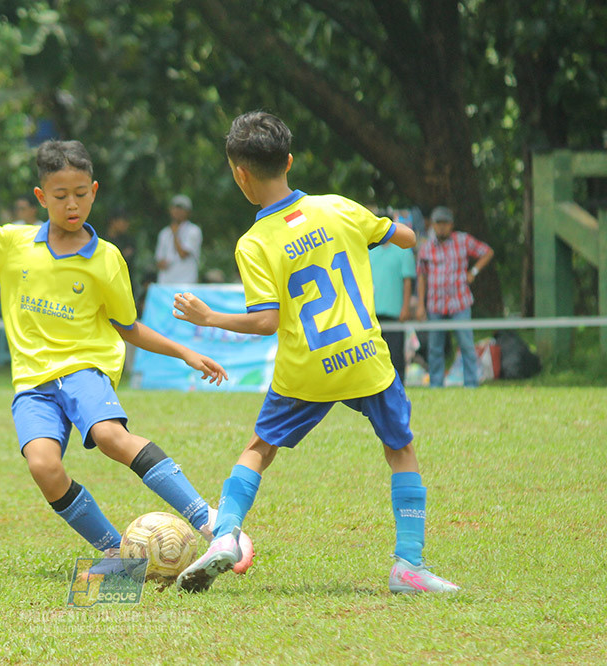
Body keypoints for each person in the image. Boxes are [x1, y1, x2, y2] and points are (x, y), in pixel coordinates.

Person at [0, 140, 254, 567]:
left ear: (94, 190)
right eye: (59, 196)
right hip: (33, 383)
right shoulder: (12, 243)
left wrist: (185, 353)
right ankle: (118, 553)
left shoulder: (107, 258)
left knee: (111, 437)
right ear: (41, 197)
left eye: (80, 194)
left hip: (83, 370)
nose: (71, 205)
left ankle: (212, 523)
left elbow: (128, 328)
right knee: (43, 466)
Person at [172, 111, 459, 595]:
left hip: (305, 370)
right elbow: (405, 239)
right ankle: (409, 566)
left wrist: (209, 318)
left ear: (239, 174)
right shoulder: (339, 208)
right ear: (289, 160)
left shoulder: (255, 242)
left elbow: (266, 322)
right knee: (400, 450)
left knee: (259, 450)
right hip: (365, 358)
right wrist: (392, 231)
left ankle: (225, 536)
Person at [415, 206, 494, 388]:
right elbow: (421, 277)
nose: (441, 227)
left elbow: (487, 252)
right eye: (438, 223)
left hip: (459, 302)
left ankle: (471, 383)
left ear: (451, 225)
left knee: (466, 344)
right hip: (435, 304)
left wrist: (473, 271)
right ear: (433, 225)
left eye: (445, 223)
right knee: (435, 347)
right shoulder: (426, 247)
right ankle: (435, 385)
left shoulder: (462, 240)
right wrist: (420, 305)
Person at [369, 228, 417, 382]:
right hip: (373, 311)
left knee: (395, 353)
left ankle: (398, 383)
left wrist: (405, 307)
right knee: (374, 353)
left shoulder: (403, 251)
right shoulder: (370, 252)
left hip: (394, 311)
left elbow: (407, 280)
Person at [154, 194, 202, 284]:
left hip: (186, 281)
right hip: (166, 281)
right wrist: (162, 263)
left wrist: (175, 234)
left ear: (188, 212)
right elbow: (158, 260)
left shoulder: (194, 230)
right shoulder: (164, 233)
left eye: (181, 209)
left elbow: (183, 254)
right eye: (175, 208)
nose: (177, 211)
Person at [103, 207, 138, 286]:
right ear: (113, 221)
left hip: (124, 284)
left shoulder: (129, 241)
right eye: (123, 221)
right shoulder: (101, 241)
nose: (126, 224)